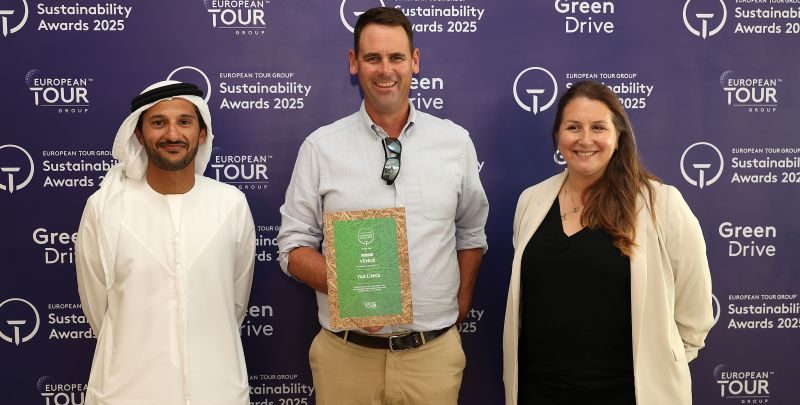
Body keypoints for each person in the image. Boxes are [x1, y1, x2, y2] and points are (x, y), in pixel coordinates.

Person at [276, 7, 489, 405]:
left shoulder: (455, 143)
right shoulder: (321, 148)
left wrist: (460, 303)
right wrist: (351, 290)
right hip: (346, 359)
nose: (385, 69)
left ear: (415, 61)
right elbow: (292, 247)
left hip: (432, 358)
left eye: (396, 57)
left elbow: (470, 232)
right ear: (353, 63)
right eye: (373, 57)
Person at [502, 81, 713, 405]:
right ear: (558, 135)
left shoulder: (662, 203)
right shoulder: (531, 200)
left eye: (598, 127)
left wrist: (660, 364)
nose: (585, 139)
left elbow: (694, 313)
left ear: (619, 137)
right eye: (573, 127)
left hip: (627, 394)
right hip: (540, 391)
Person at [75, 80, 256, 405]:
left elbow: (235, 302)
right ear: (139, 134)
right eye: (158, 123)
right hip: (126, 392)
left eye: (184, 122)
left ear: (202, 133)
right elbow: (97, 306)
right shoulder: (106, 207)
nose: (173, 134)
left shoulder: (230, 204)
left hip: (218, 390)